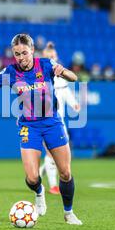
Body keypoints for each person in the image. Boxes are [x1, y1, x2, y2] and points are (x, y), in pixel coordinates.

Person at [0, 34, 83, 225]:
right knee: (32, 177)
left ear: (32, 50)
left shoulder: (46, 64)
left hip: (52, 122)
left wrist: (63, 71)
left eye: (24, 53)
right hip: (29, 125)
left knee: (66, 173)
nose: (21, 58)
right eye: (17, 54)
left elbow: (74, 77)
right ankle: (39, 191)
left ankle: (68, 213)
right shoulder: (10, 72)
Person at [39, 42, 80, 195]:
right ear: (43, 58)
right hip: (44, 120)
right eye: (49, 56)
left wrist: (74, 103)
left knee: (59, 154)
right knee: (51, 153)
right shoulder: (39, 75)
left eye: (53, 56)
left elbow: (65, 92)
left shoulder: (61, 76)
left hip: (59, 121)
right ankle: (53, 185)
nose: (52, 58)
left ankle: (40, 173)